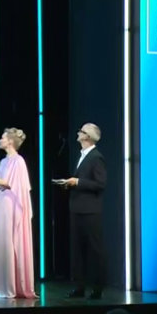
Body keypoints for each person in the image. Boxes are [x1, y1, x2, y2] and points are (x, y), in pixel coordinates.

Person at [0, 128, 37, 299]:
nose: (0, 140)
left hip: (11, 205)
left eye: (3, 137)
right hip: (0, 204)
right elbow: (0, 182)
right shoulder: (3, 162)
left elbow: (17, 185)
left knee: (8, 242)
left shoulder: (18, 161)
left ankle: (10, 286)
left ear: (10, 141)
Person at [61, 122, 107, 300]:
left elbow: (100, 184)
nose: (78, 133)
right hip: (77, 209)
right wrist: (70, 184)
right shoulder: (82, 155)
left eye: (81, 131)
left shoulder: (96, 157)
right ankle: (79, 287)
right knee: (77, 250)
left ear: (87, 136)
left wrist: (78, 182)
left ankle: (97, 288)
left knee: (94, 250)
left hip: (91, 211)